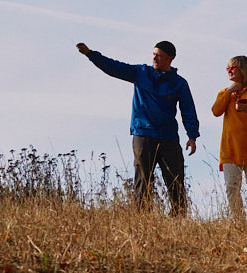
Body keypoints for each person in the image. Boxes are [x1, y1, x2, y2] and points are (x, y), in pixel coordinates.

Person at [76, 40, 199, 215]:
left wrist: (192, 136)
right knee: (143, 180)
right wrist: (91, 54)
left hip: (168, 137)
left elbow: (188, 110)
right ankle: (143, 219)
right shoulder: (141, 72)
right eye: (154, 54)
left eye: (160, 56)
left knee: (175, 181)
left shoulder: (179, 83)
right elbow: (113, 67)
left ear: (170, 59)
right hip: (143, 134)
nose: (155, 58)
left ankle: (179, 219)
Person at [211, 55, 247, 220]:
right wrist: (229, 91)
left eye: (233, 67)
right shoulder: (224, 93)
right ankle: (239, 223)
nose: (229, 71)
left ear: (243, 70)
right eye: (228, 68)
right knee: (232, 188)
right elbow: (215, 111)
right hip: (230, 149)